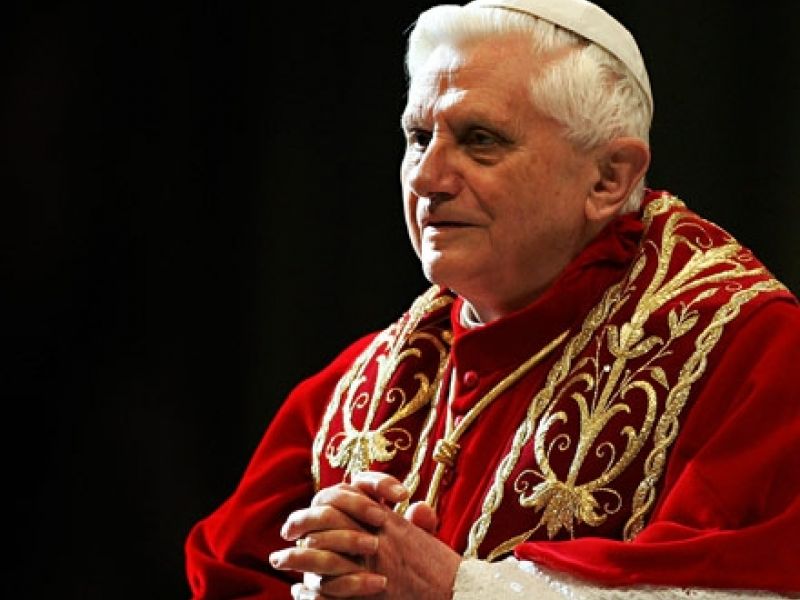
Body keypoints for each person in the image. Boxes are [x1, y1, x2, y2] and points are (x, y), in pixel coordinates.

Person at [185, 0, 800, 598]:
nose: (426, 178)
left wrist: (455, 589)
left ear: (609, 178)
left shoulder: (748, 351)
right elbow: (231, 574)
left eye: (480, 139)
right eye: (418, 137)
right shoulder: (358, 385)